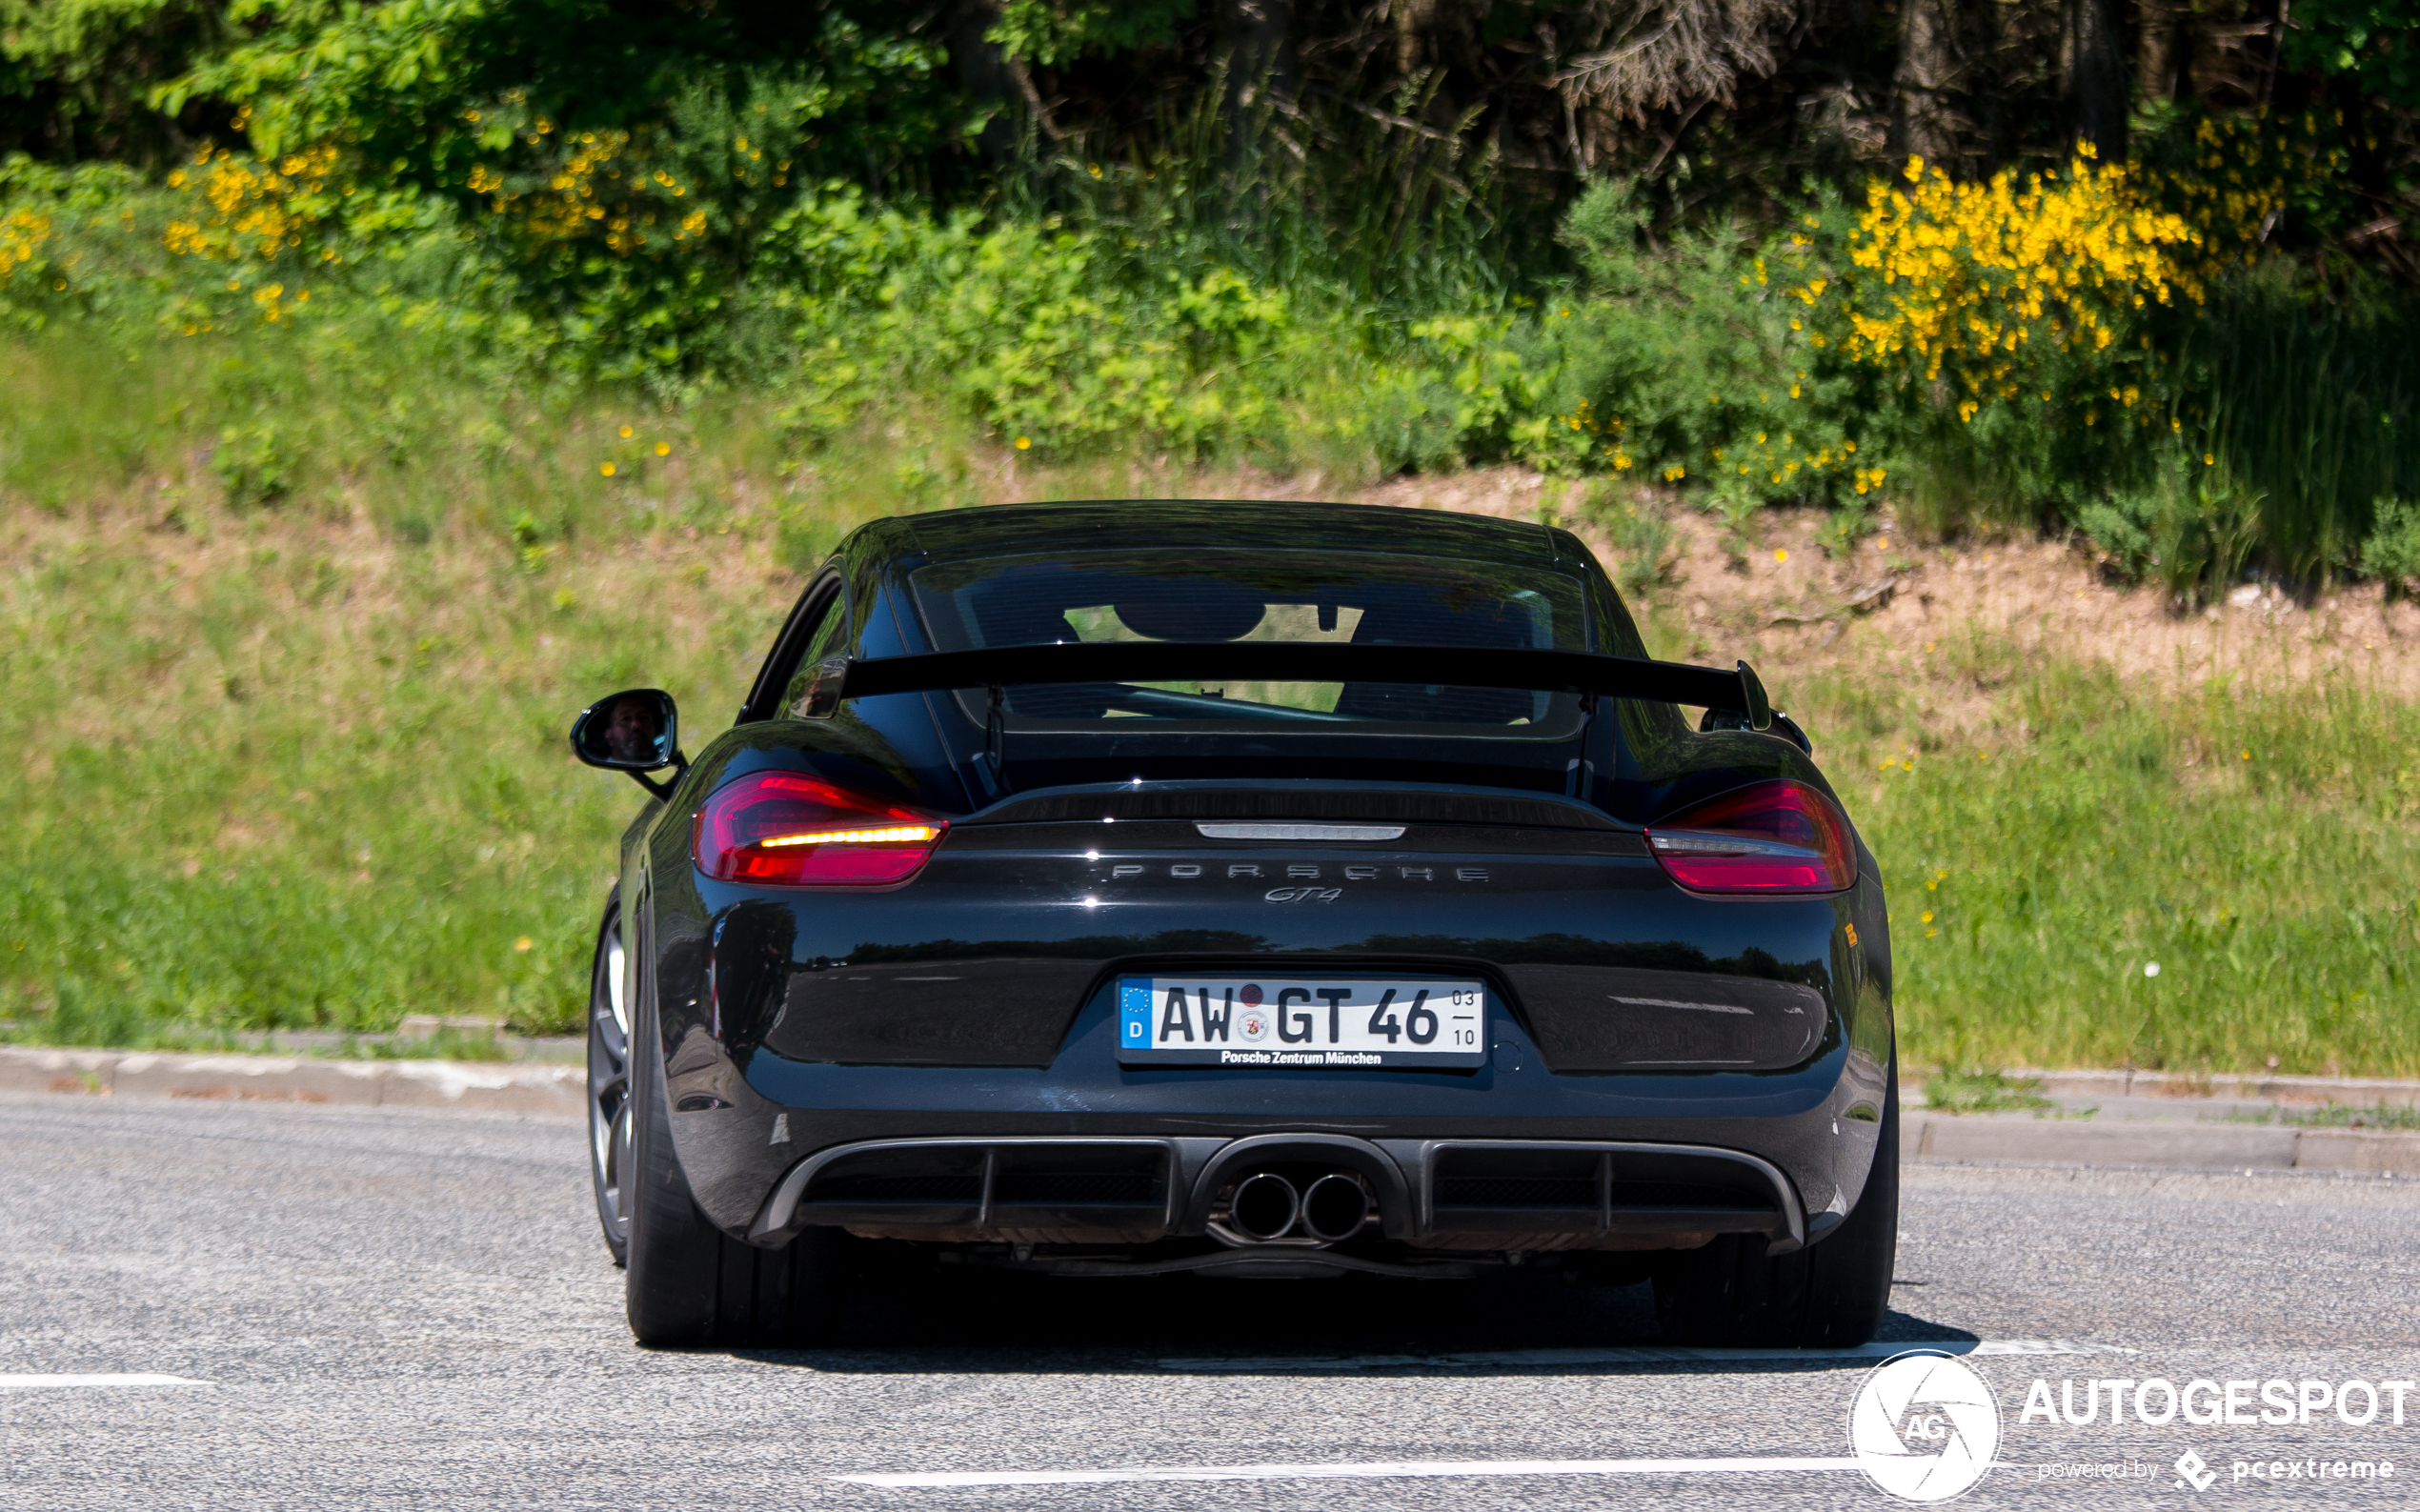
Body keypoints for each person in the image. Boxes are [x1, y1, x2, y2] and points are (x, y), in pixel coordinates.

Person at [601, 694, 663, 764]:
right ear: (610, 737)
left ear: (654, 729)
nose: (636, 724)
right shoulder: (603, 772)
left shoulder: (661, 757)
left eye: (643, 718)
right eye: (625, 719)